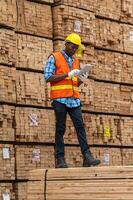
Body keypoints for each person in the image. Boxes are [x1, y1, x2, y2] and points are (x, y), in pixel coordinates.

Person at [44, 33, 100, 168]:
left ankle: (87, 156)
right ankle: (60, 159)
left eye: (76, 48)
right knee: (60, 128)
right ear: (66, 44)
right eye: (73, 47)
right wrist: (67, 75)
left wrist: (81, 78)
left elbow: (74, 83)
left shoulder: (75, 61)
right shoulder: (55, 57)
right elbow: (48, 77)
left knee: (80, 127)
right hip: (60, 99)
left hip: (74, 99)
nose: (74, 50)